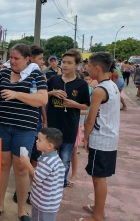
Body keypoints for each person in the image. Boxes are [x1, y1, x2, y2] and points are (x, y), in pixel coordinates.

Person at [0, 44, 48, 221]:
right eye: (11, 57)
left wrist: (16, 94)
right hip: (3, 126)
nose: (12, 61)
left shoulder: (35, 74)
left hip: (24, 129)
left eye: (16, 58)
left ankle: (22, 210)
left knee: (22, 168)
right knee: (2, 166)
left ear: (27, 59)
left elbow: (42, 99)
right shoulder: (3, 74)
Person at [75, 52, 120, 221]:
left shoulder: (99, 90)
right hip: (109, 138)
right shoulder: (112, 85)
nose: (86, 68)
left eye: (89, 65)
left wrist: (85, 138)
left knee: (98, 178)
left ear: (97, 68)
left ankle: (98, 215)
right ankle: (97, 207)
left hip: (101, 139)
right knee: (100, 176)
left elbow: (90, 119)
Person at [46, 49, 90, 188]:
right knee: (49, 158)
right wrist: (51, 93)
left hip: (69, 127)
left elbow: (86, 105)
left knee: (65, 159)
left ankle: (60, 185)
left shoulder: (81, 84)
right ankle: (48, 184)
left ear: (77, 65)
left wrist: (74, 104)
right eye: (63, 62)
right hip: (52, 127)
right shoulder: (53, 80)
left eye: (69, 63)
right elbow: (42, 96)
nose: (65, 65)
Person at [13, 45, 48, 204]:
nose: (42, 62)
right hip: (24, 125)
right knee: (24, 163)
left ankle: (28, 193)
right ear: (30, 58)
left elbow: (41, 101)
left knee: (31, 160)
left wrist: (44, 120)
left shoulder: (38, 76)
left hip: (33, 124)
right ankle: (23, 193)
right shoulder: (22, 75)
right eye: (40, 59)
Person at [20, 127, 65, 221]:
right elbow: (44, 173)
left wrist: (28, 164)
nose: (36, 141)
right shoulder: (53, 157)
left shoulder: (47, 161)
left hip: (44, 203)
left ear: (49, 146)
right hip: (46, 201)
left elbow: (37, 177)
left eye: (40, 140)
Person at [67, 71, 93, 188]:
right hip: (64, 123)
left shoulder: (86, 90)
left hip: (75, 124)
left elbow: (86, 109)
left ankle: (74, 175)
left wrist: (73, 106)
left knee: (73, 152)